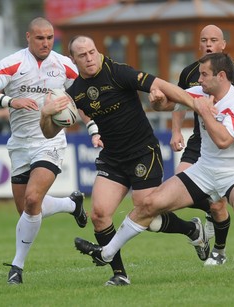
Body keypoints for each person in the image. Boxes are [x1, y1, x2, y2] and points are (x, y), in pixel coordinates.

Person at [74, 53, 234, 284]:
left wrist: (204, 110)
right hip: (204, 170)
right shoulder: (201, 94)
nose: (199, 79)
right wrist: (157, 102)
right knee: (148, 204)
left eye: (204, 75)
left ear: (222, 76)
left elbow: (223, 141)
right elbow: (168, 104)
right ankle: (106, 253)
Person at [40, 35, 206, 286]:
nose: (89, 58)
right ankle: (119, 274)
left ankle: (192, 230)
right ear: (73, 60)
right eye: (82, 55)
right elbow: (49, 131)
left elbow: (161, 85)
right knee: (98, 214)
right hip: (112, 159)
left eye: (92, 52)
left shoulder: (118, 72)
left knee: (147, 215)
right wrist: (46, 114)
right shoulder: (74, 93)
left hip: (143, 152)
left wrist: (195, 103)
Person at [0, 17, 87, 285]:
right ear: (28, 37)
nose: (45, 42)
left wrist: (93, 127)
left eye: (49, 37)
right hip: (20, 145)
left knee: (33, 199)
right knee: (27, 209)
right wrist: (10, 100)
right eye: (40, 38)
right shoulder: (14, 63)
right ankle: (72, 204)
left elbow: (84, 95)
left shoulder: (64, 65)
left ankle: (17, 267)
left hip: (50, 142)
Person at [151, 24, 234, 266]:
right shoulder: (191, 73)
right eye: (203, 40)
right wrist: (176, 130)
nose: (208, 44)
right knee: (185, 182)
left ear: (223, 46)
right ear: (198, 44)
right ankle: (207, 214)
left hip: (224, 139)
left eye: (213, 40)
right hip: (199, 139)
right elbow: (181, 102)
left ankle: (219, 249)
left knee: (223, 203)